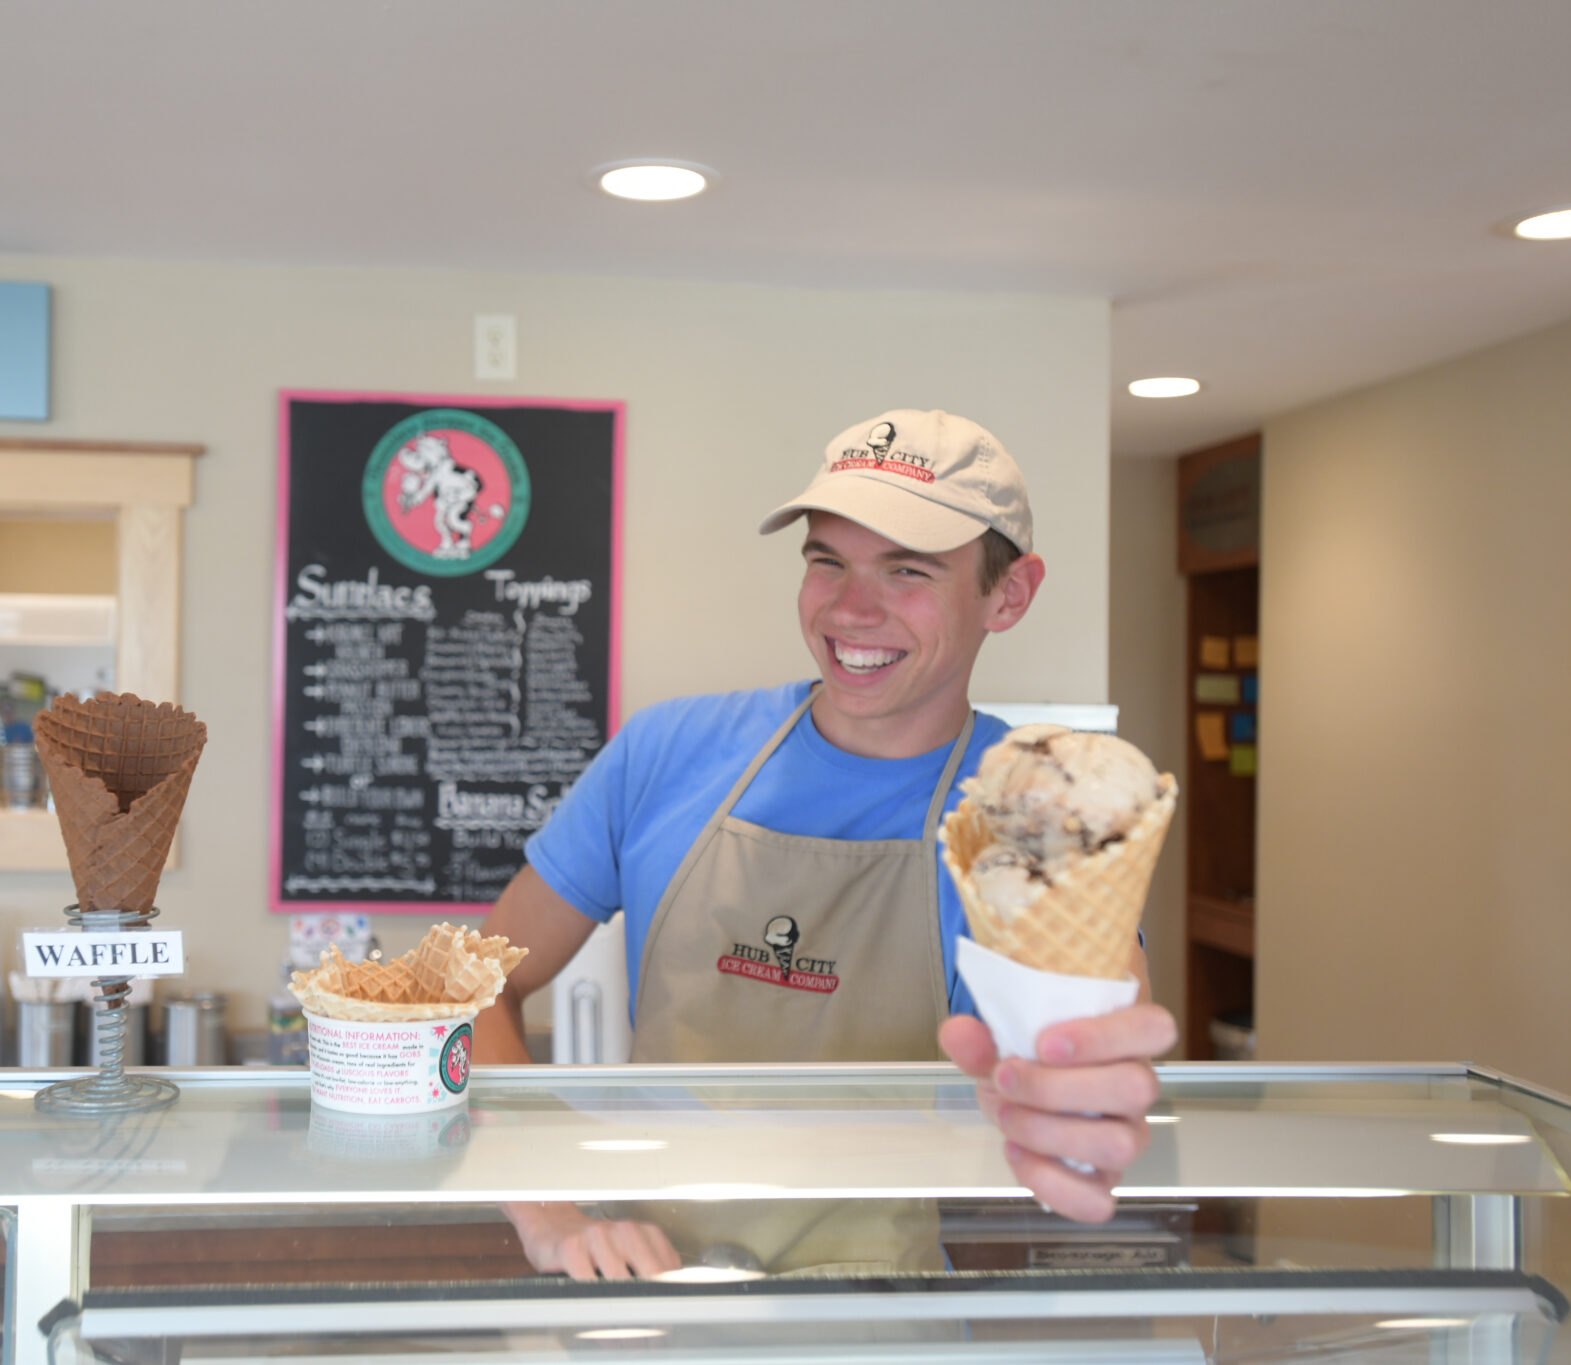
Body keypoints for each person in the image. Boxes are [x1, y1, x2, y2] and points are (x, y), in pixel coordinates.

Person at [471, 408, 1178, 1281]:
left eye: (907, 570)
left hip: (875, 1315)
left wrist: (1084, 1103)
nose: (850, 607)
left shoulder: (1028, 809)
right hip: (643, 1291)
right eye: (826, 560)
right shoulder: (665, 754)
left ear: (1010, 592)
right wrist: (551, 1217)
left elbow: (1094, 1064)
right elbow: (468, 987)